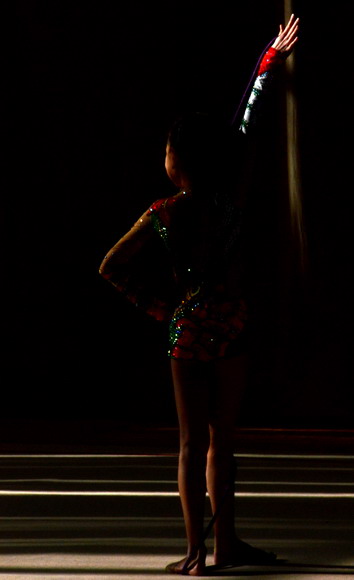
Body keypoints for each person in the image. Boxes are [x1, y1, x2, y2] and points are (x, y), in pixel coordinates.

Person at [99, 14, 299, 576]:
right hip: (231, 323)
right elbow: (247, 127)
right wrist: (266, 68)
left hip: (186, 327)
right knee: (223, 440)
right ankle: (227, 541)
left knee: (190, 444)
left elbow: (111, 265)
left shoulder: (162, 213)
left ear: (176, 162)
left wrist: (163, 308)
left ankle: (195, 551)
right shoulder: (230, 202)